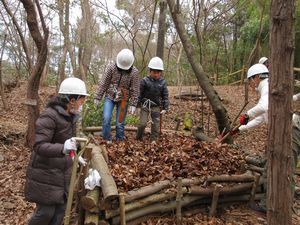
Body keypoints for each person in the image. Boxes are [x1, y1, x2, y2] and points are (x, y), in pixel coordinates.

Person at [24, 77, 89, 225]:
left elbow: (69, 143)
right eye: (81, 99)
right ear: (71, 100)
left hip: (61, 173)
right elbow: (39, 145)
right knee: (45, 213)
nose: (82, 103)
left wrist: (74, 155)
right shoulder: (49, 115)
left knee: (60, 212)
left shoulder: (70, 116)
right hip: (45, 174)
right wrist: (63, 148)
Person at [231, 63, 269, 213]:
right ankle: (268, 199)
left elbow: (263, 108)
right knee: (270, 166)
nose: (252, 85)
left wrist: (246, 115)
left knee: (278, 167)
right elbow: (261, 118)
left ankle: (269, 204)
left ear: (258, 77)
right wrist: (240, 129)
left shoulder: (267, 86)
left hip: (289, 130)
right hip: (281, 131)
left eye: (252, 80)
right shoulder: (266, 88)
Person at [94, 49, 140, 143]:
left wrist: (133, 104)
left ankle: (120, 140)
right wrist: (97, 96)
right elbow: (104, 83)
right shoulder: (111, 67)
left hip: (123, 98)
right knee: (106, 118)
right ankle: (107, 139)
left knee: (120, 122)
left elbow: (135, 89)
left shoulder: (134, 72)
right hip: (110, 96)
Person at [136, 56, 169, 141]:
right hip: (145, 104)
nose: (156, 74)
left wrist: (166, 107)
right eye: (154, 72)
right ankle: (138, 137)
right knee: (142, 123)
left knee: (156, 124)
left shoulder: (163, 82)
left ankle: (154, 140)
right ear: (150, 71)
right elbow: (139, 93)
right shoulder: (144, 81)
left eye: (158, 72)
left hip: (156, 106)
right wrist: (137, 105)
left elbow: (165, 95)